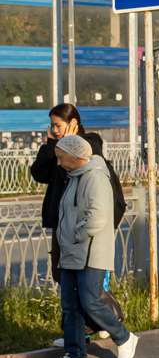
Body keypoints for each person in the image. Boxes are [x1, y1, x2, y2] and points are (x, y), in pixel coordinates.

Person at [31, 104, 126, 345]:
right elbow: (39, 173)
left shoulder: (88, 143)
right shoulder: (60, 150)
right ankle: (77, 333)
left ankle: (105, 324)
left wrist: (69, 140)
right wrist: (53, 143)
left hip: (85, 225)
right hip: (64, 223)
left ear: (73, 123)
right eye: (52, 126)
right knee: (64, 277)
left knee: (88, 285)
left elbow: (88, 158)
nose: (55, 130)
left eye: (58, 126)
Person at [48, 133, 137, 358]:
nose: (59, 163)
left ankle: (124, 337)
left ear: (77, 156)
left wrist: (74, 236)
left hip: (90, 252)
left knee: (90, 301)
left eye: (61, 157)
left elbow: (97, 218)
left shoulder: (95, 177)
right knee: (70, 305)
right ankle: (76, 356)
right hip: (72, 252)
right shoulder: (73, 177)